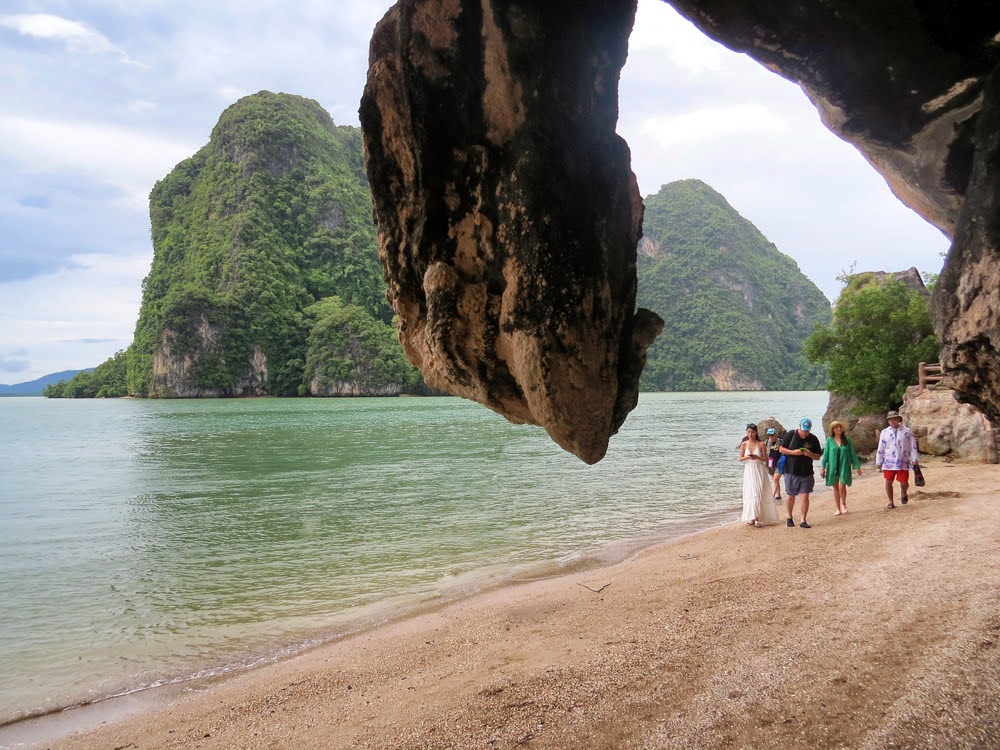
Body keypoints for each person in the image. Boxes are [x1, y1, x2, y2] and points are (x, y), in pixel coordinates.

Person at [779, 418, 823, 528]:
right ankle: (789, 517)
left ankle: (803, 520)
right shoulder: (791, 435)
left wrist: (809, 454)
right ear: (799, 427)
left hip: (807, 472)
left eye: (807, 431)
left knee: (805, 496)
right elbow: (781, 449)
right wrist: (793, 452)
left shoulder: (813, 439)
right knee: (790, 496)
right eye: (803, 430)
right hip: (791, 471)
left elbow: (818, 456)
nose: (804, 433)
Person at [875, 410, 920, 509]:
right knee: (888, 481)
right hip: (889, 461)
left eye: (894, 419)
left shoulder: (907, 431)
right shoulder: (885, 432)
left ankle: (903, 491)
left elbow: (912, 446)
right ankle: (890, 501)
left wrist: (914, 458)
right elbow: (881, 447)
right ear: (888, 421)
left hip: (903, 461)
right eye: (890, 420)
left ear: (898, 419)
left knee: (904, 482)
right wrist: (879, 460)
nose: (892, 421)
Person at [739, 424, 779, 527]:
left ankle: (757, 517)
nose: (750, 434)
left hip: (758, 468)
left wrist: (757, 457)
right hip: (749, 469)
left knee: (758, 491)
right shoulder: (744, 444)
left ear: (756, 432)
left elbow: (765, 458)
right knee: (750, 492)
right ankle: (752, 517)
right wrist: (748, 457)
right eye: (748, 432)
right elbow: (741, 458)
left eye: (752, 432)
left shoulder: (761, 444)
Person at [820, 421, 862, 515]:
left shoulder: (848, 440)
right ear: (833, 430)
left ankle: (843, 504)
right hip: (832, 466)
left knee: (841, 485)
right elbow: (825, 455)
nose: (838, 429)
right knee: (835, 487)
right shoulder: (829, 441)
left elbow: (853, 454)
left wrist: (857, 466)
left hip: (844, 465)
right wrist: (823, 467)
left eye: (840, 427)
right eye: (836, 427)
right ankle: (838, 508)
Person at [764, 427, 783, 502]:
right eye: (769, 435)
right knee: (774, 479)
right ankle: (778, 495)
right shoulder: (766, 442)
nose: (771, 437)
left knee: (775, 479)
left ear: (775, 434)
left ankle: (771, 497)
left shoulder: (780, 442)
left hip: (779, 464)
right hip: (770, 463)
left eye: (772, 435)